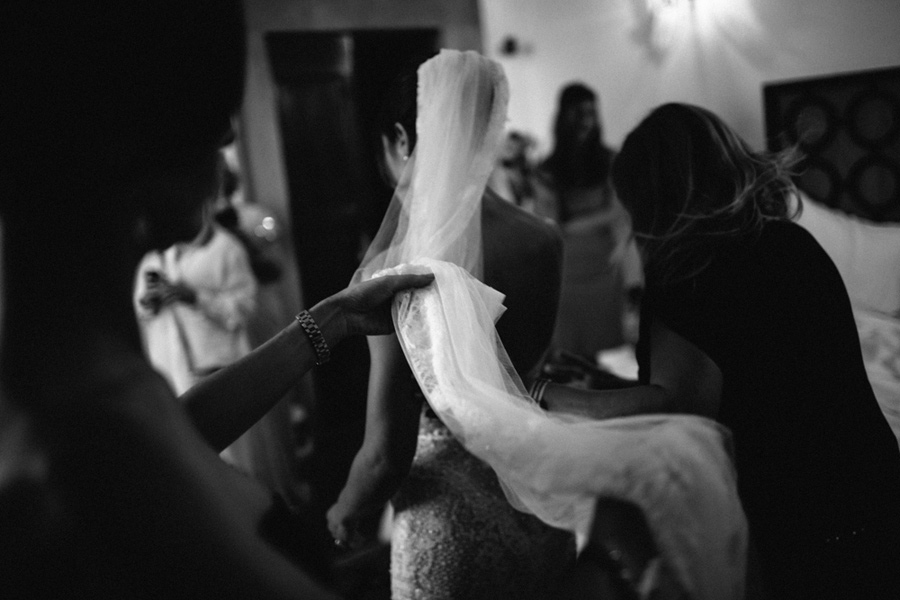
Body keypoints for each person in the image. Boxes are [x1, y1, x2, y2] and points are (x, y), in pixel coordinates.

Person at [0, 2, 434, 598]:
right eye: (210, 110)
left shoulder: (72, 361)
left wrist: (332, 319)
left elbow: (182, 426)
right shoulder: (85, 432)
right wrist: (608, 559)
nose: (230, 135)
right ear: (130, 141)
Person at [538, 102, 900, 599]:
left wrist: (548, 393)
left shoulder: (688, 273)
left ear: (653, 199)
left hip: (794, 516)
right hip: (873, 486)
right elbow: (741, 379)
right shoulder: (794, 244)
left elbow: (677, 405)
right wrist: (604, 384)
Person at [326, 51, 575, 599]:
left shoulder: (391, 269)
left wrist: (343, 511)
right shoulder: (544, 240)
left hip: (447, 519)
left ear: (400, 137)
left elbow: (386, 454)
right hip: (535, 501)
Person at [537, 83, 642, 364]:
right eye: (578, 114)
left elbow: (622, 214)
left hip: (605, 261)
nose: (586, 121)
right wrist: (604, 217)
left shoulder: (611, 160)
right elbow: (551, 225)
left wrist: (620, 243)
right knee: (571, 348)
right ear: (563, 118)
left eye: (591, 113)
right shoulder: (548, 169)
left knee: (607, 343)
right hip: (568, 266)